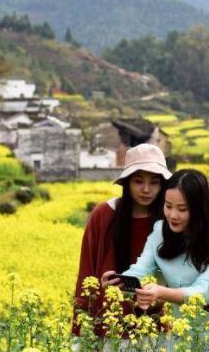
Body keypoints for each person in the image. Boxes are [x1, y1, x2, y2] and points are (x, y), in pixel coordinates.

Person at [123, 169, 209, 347]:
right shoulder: (159, 232)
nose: (173, 215)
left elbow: (203, 290)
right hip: (188, 327)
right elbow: (140, 269)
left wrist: (160, 292)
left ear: (199, 209)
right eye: (168, 206)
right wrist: (119, 281)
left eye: (182, 209)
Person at [72, 143, 172, 338]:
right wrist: (79, 326)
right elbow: (86, 269)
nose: (146, 189)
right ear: (127, 182)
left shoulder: (170, 220)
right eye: (138, 181)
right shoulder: (104, 215)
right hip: (107, 325)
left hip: (153, 328)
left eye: (154, 182)